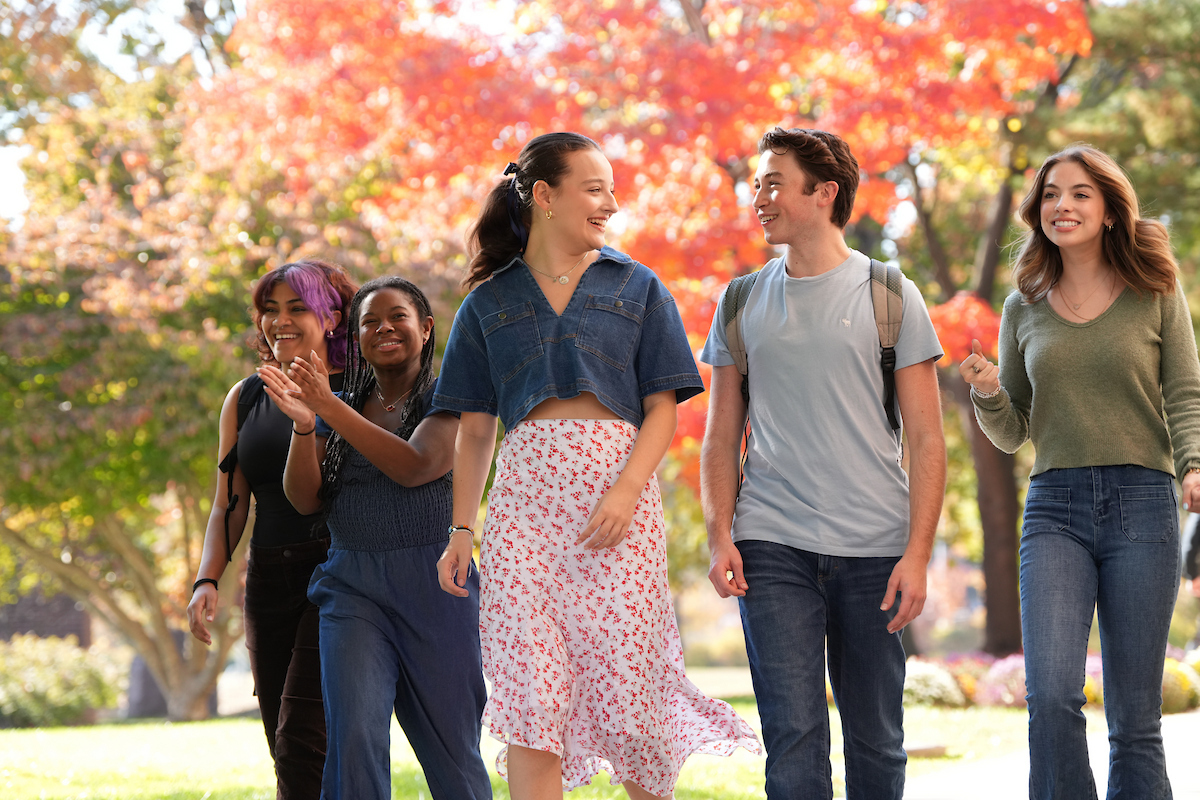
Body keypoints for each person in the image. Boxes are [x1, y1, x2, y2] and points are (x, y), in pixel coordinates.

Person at [434, 131, 759, 800]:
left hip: (621, 509)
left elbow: (662, 408)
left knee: (629, 698)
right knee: (533, 697)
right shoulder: (486, 303)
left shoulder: (637, 285)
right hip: (525, 514)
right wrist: (461, 531)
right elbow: (474, 433)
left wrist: (626, 491)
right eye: (594, 188)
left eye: (611, 189)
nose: (610, 203)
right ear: (546, 197)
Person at [699, 127, 947, 800]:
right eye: (756, 184)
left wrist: (918, 553)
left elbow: (927, 439)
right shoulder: (741, 300)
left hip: (875, 548)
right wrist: (720, 531)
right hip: (771, 542)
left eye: (773, 182)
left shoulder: (890, 294)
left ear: (824, 193)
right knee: (794, 736)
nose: (759, 197)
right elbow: (722, 436)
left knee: (876, 739)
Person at [961, 143, 1200, 800]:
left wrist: (1194, 464)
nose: (1061, 205)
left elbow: (1184, 392)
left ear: (1111, 209)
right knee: (1052, 701)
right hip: (1055, 509)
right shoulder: (1023, 307)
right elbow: (1013, 430)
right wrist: (986, 391)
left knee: (1133, 716)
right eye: (1050, 195)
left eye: (1079, 193)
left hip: (1144, 505)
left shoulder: (1155, 289)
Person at [257, 276, 492, 800]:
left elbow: (417, 465)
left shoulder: (448, 399)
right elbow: (305, 500)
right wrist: (303, 425)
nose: (384, 328)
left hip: (435, 585)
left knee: (453, 752)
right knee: (354, 737)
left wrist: (327, 409)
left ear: (426, 328)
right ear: (357, 337)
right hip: (352, 585)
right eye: (369, 322)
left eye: (397, 317)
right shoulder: (338, 403)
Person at [187, 259, 356, 800]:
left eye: (297, 308)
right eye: (270, 310)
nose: (279, 321)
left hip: (335, 575)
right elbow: (228, 505)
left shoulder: (360, 389)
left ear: (332, 316)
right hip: (267, 580)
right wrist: (206, 579)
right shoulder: (245, 398)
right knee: (281, 743)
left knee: (299, 741)